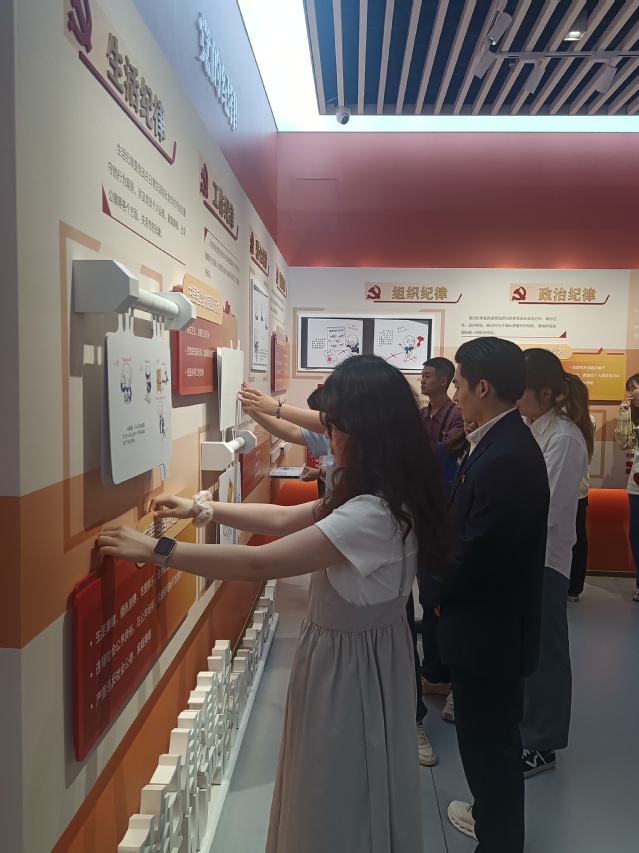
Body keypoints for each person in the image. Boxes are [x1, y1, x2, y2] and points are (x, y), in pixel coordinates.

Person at [98, 354, 453, 853]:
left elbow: (259, 563)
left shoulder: (371, 513)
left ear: (364, 432)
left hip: (348, 668)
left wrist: (158, 549)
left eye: (333, 427)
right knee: (349, 779)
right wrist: (202, 508)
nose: (328, 437)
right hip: (367, 656)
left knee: (336, 789)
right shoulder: (384, 493)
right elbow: (285, 519)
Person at [434, 337, 549, 853]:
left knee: (491, 747)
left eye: (458, 382)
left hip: (491, 633)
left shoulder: (508, 456)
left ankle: (500, 841)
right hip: (484, 627)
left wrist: (433, 586)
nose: (454, 393)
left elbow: (476, 552)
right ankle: (489, 819)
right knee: (483, 742)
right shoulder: (495, 442)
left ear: (483, 387)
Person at [516, 349, 591, 781]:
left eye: (520, 388)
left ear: (545, 392)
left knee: (546, 653)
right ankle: (529, 728)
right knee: (531, 648)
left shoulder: (562, 437)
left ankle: (542, 744)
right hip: (527, 556)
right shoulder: (535, 428)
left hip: (545, 559)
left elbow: (544, 509)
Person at [241, 386, 333, 493]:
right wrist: (252, 411)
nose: (327, 434)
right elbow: (291, 432)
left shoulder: (340, 433)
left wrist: (277, 408)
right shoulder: (331, 434)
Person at [614, 373, 639, 602]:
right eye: (629, 389)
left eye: (634, 388)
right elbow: (624, 444)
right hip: (636, 484)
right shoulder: (631, 414)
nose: (630, 393)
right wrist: (624, 414)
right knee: (636, 535)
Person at [568, 415, 596, 602]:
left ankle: (574, 586)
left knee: (576, 538)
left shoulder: (586, 420)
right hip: (572, 489)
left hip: (576, 489)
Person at [420, 357, 464, 448]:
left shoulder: (458, 415)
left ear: (443, 381)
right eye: (422, 376)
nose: (422, 381)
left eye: (427, 376)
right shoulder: (421, 413)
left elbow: (449, 448)